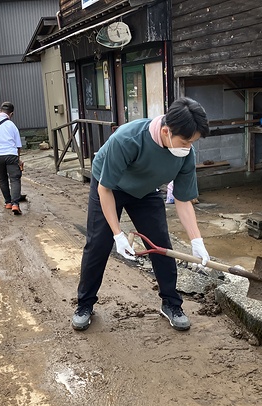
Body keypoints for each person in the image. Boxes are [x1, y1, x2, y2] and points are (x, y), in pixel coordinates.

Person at [71, 97, 211, 332]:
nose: (188, 147)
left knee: (161, 244)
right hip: (110, 186)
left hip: (145, 190)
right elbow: (104, 189)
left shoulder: (185, 153)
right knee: (98, 244)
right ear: (166, 131)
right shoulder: (128, 139)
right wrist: (118, 234)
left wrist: (197, 241)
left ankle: (171, 304)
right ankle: (84, 304)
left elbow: (183, 199)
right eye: (186, 141)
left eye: (192, 142)